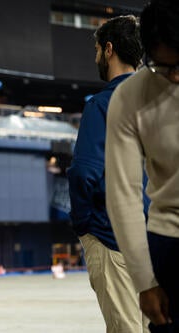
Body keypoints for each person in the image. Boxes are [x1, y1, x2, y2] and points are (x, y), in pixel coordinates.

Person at [67, 15, 150, 332]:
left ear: (109, 49)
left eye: (98, 50)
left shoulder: (103, 104)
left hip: (113, 236)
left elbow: (84, 171)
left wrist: (83, 224)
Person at [106, 0, 179, 332]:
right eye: (165, 67)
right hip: (171, 242)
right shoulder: (132, 96)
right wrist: (144, 282)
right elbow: (123, 195)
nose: (175, 76)